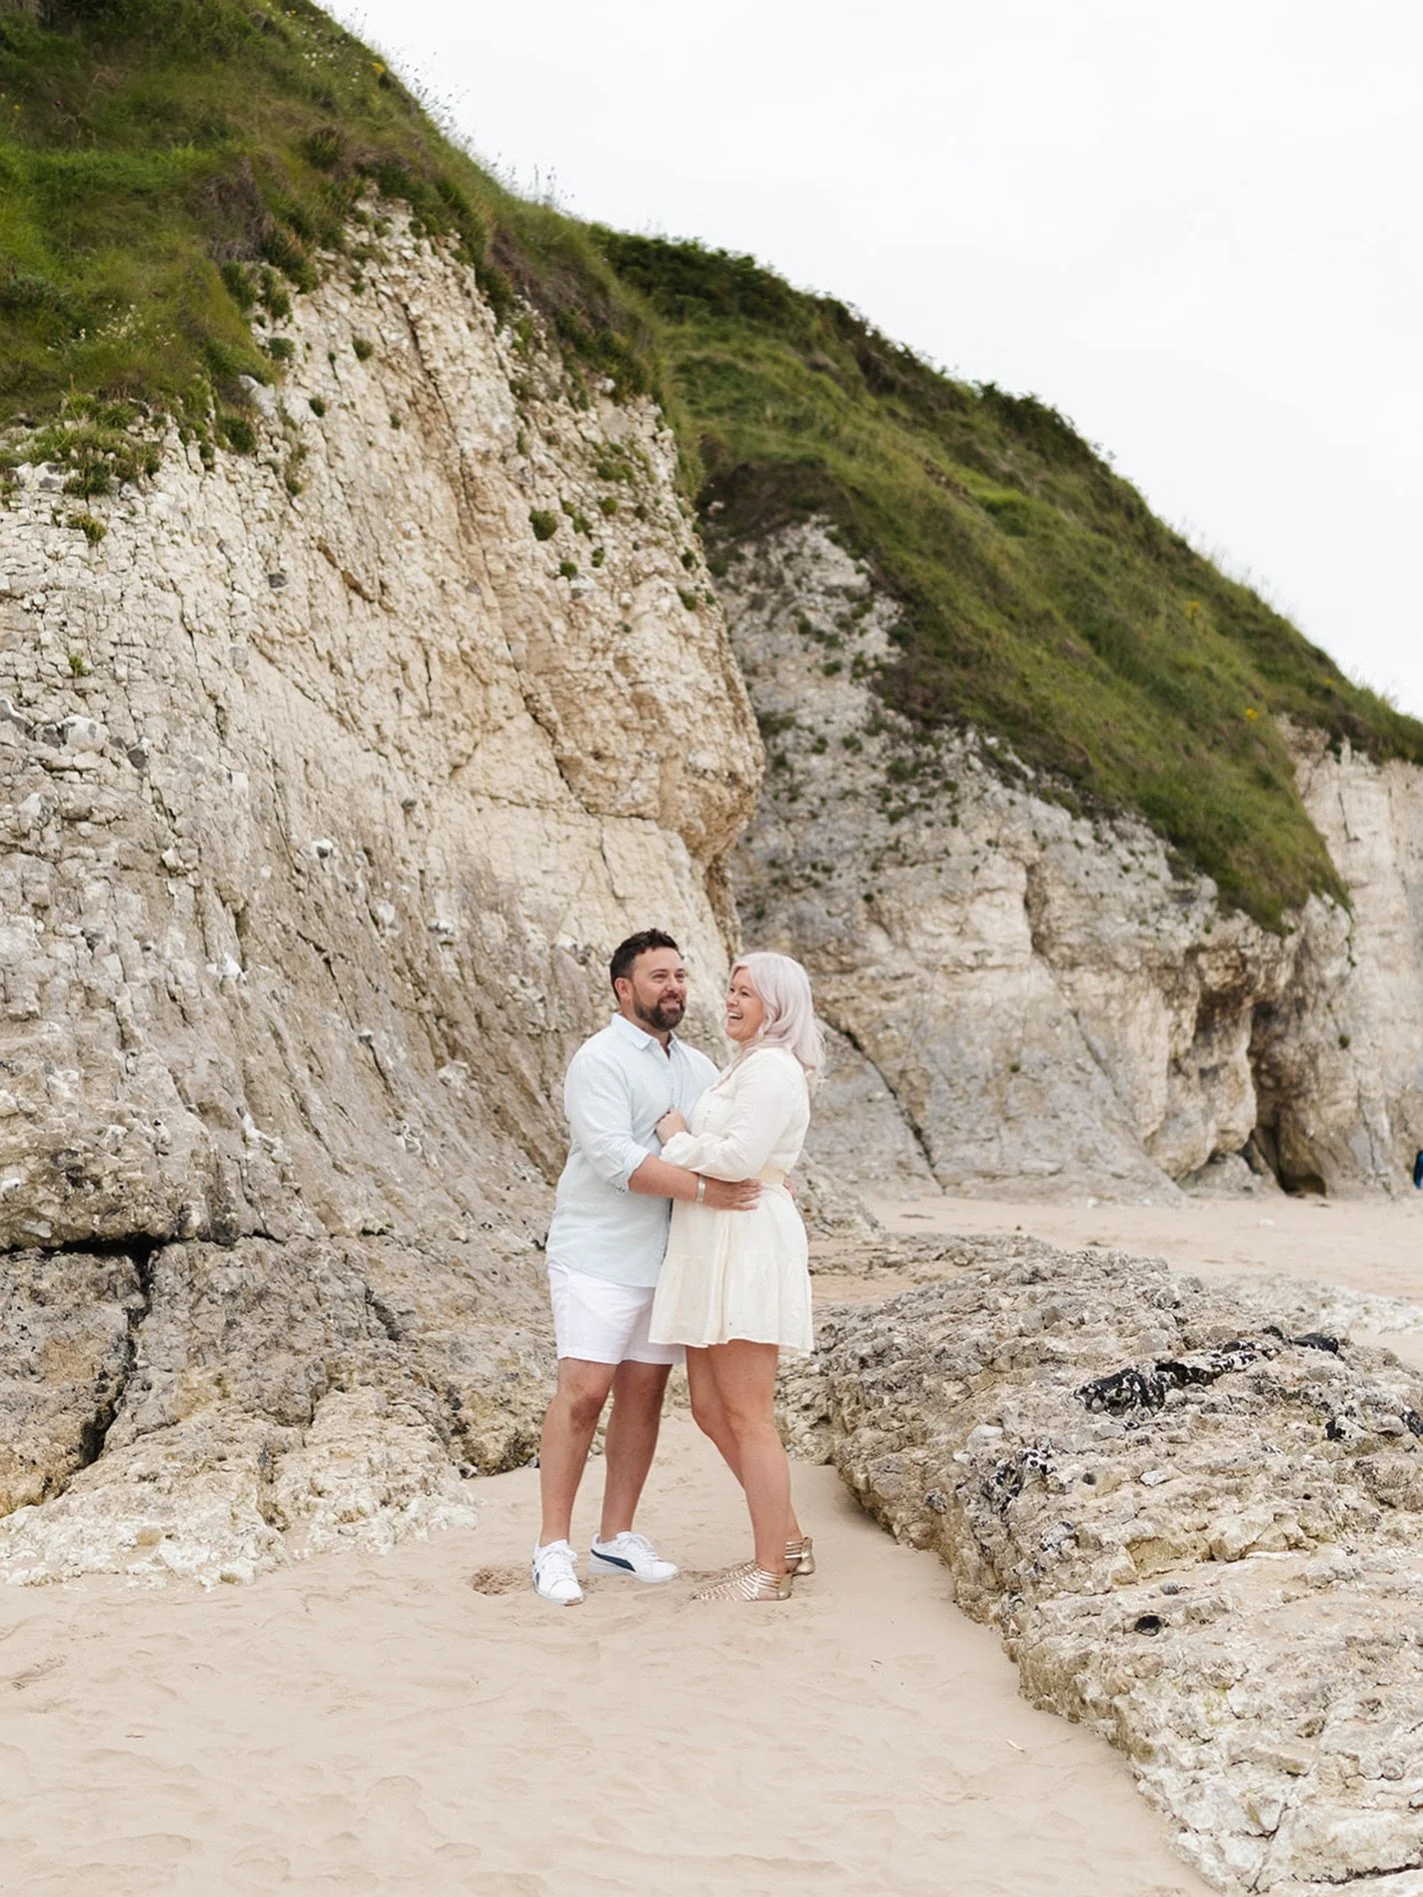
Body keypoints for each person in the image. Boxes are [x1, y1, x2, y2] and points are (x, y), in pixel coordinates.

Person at [532, 929, 761, 1606]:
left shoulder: (697, 1065)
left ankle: (614, 1538)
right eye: (659, 977)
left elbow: (717, 1144)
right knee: (583, 1393)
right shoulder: (598, 1061)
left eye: (680, 975)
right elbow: (614, 1159)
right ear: (623, 988)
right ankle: (551, 1547)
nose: (674, 988)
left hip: (669, 1260)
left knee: (643, 1394)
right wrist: (703, 1189)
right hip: (599, 1253)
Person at [648, 952, 822, 1603]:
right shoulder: (745, 1066)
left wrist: (676, 1140)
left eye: (746, 992)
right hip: (712, 1239)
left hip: (745, 1240)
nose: (730, 1000)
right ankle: (789, 1539)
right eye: (730, 988)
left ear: (776, 1005)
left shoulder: (773, 1068)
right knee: (708, 1406)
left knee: (749, 1413)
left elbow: (741, 1159)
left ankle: (770, 1570)